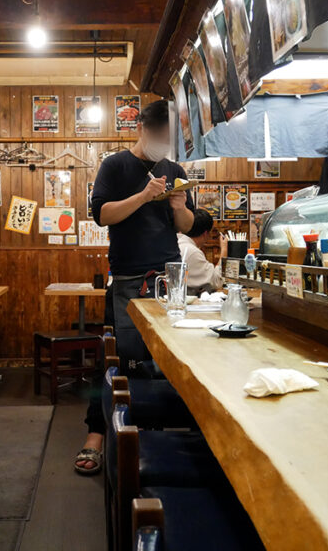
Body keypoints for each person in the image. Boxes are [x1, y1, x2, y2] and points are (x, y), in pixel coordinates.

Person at [74, 100, 195, 475]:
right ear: (141, 127)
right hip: (128, 277)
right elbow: (101, 215)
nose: (163, 144)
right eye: (160, 136)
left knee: (167, 359)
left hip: (169, 277)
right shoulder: (115, 165)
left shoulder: (174, 169)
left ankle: (153, 437)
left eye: (169, 139)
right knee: (117, 358)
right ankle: (96, 434)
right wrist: (143, 196)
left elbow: (187, 226)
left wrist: (179, 206)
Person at [178, 209, 227, 293]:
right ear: (205, 234)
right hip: (183, 298)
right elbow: (216, 281)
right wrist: (224, 249)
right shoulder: (192, 252)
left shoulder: (178, 241)